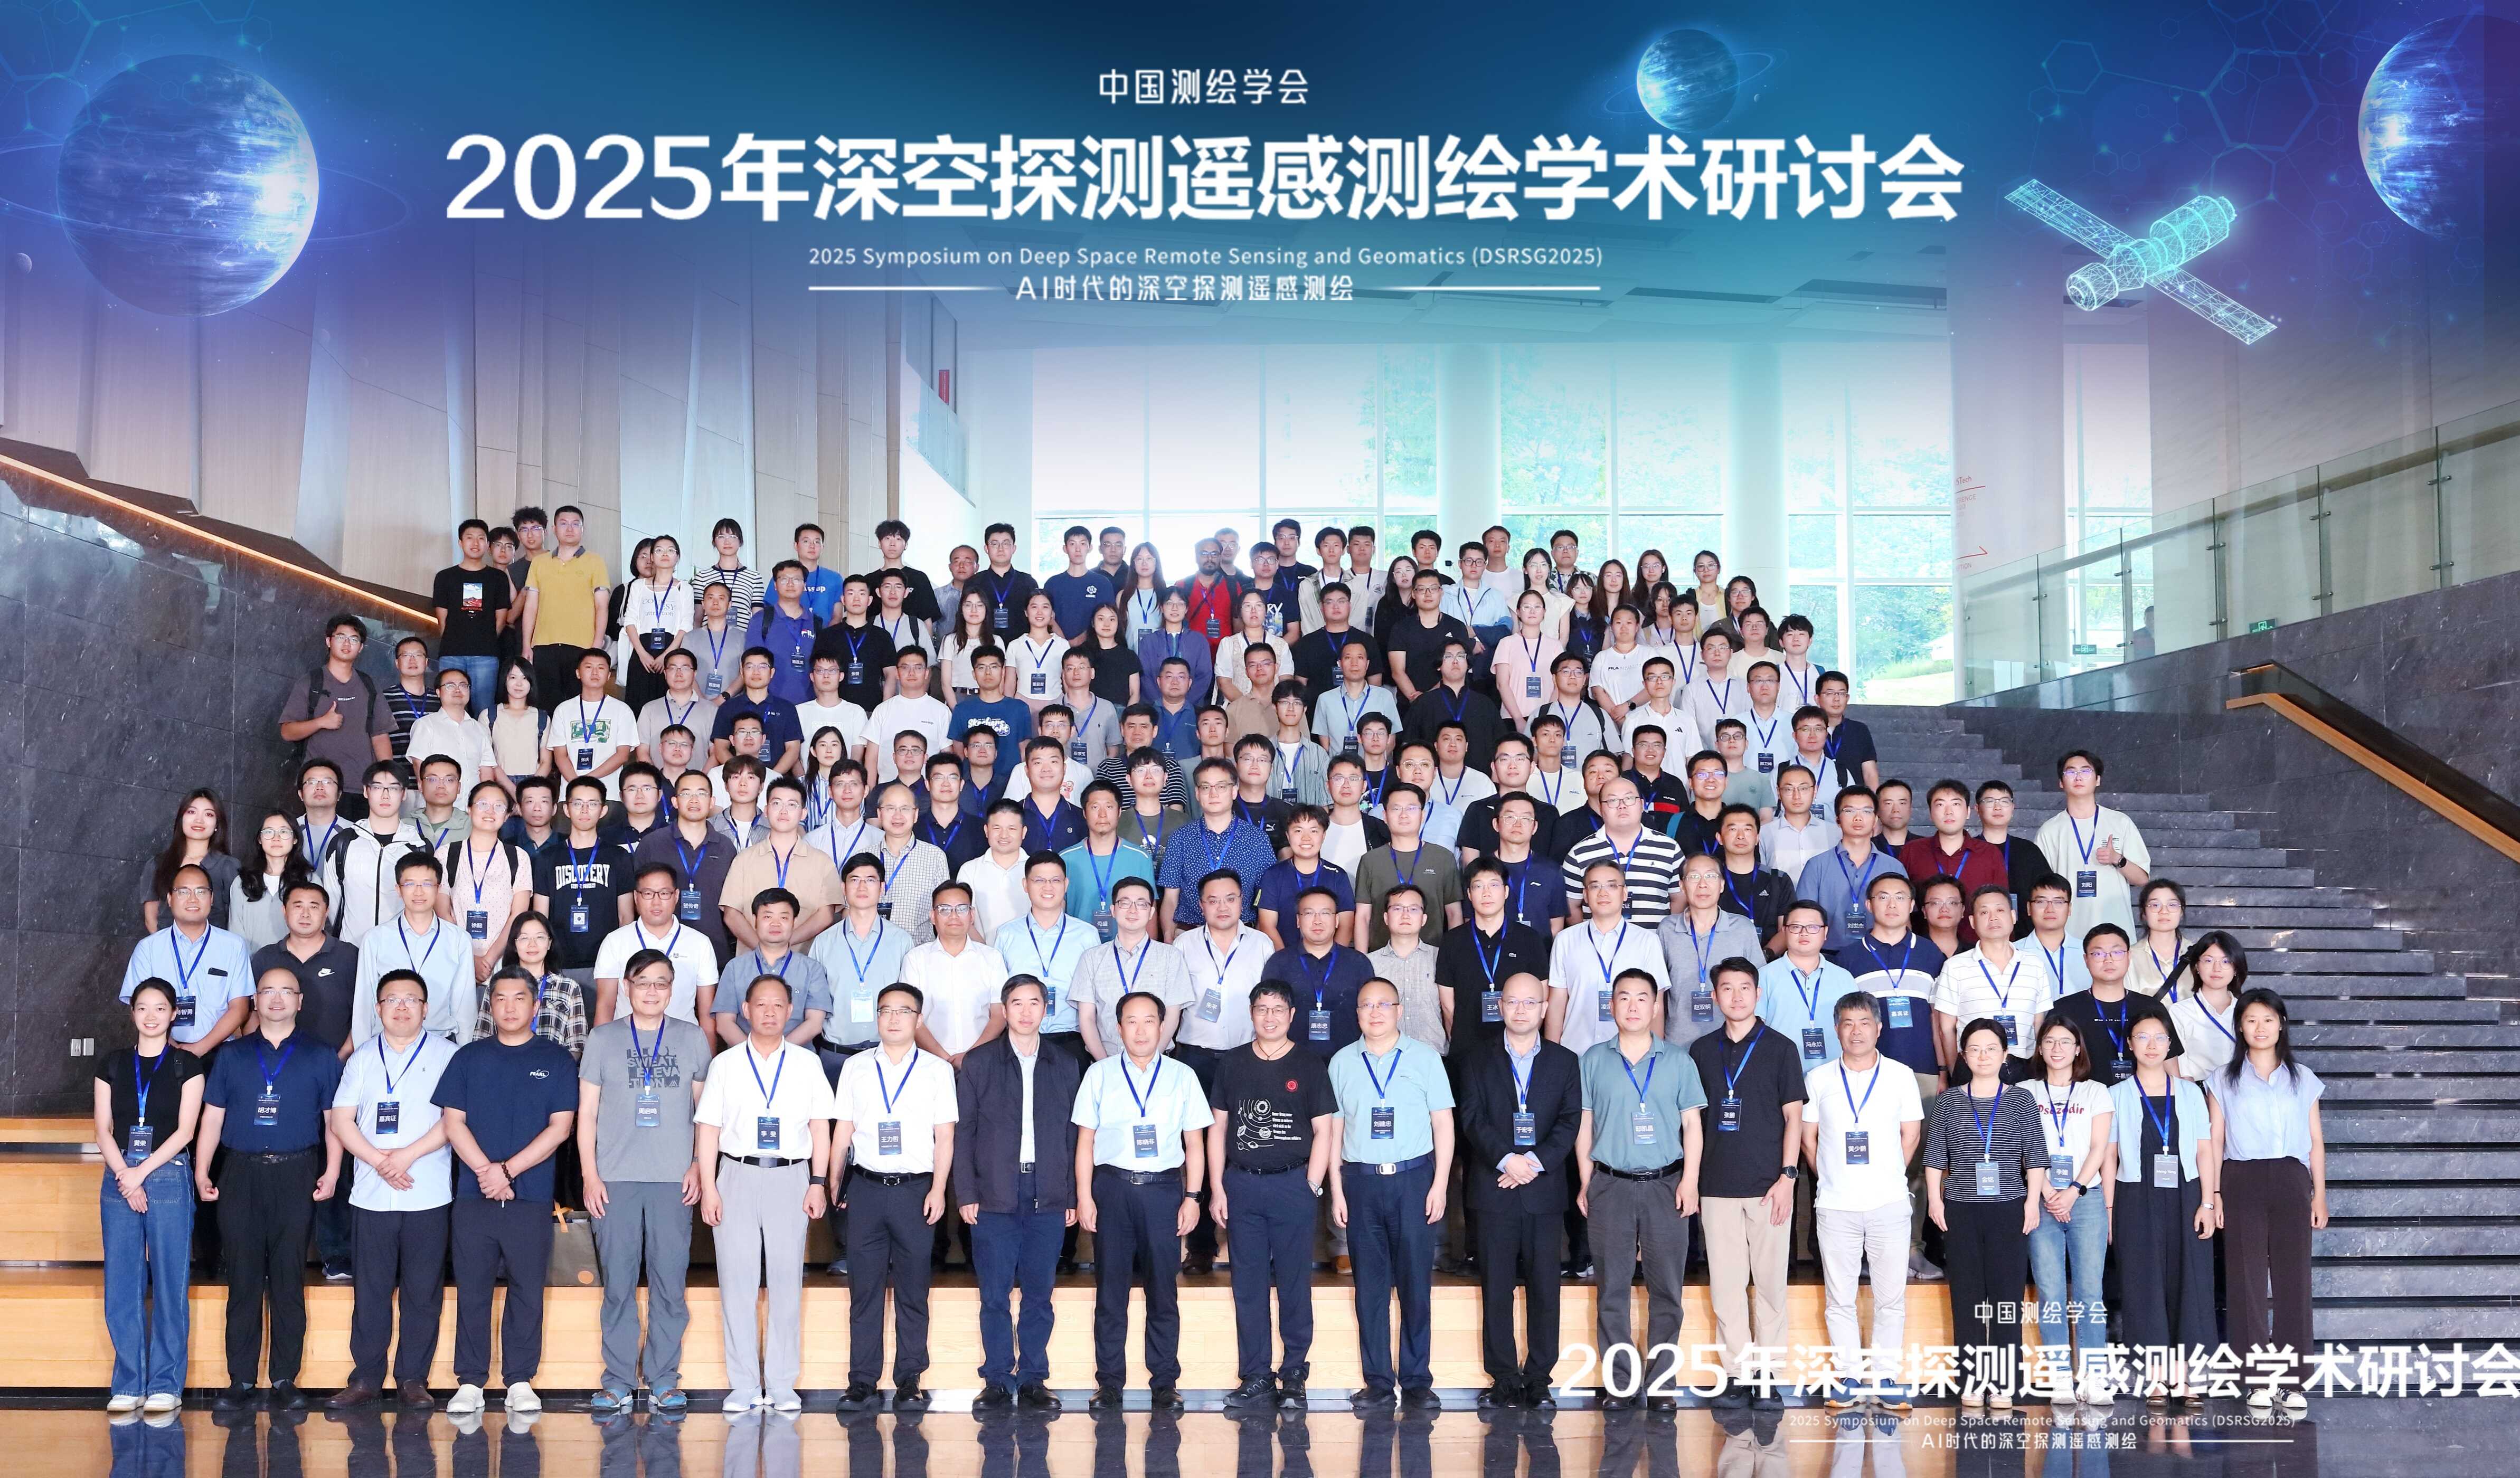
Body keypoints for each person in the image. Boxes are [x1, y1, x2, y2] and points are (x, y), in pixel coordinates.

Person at [432, 967, 579, 1416]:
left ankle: (519, 1379)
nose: (510, 1007)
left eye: (520, 998)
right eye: (500, 998)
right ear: (490, 1005)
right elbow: (452, 1122)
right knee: (472, 1289)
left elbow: (561, 1128)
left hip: (530, 1196)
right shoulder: (468, 1058)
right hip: (473, 1194)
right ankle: (470, 1381)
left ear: (536, 1007)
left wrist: (508, 1172)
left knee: (526, 1290)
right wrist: (486, 1172)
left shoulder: (556, 1059)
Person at [195, 968, 343, 1411]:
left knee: (287, 1278)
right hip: (239, 1174)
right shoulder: (232, 1055)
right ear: (255, 1001)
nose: (276, 999)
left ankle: (284, 1378)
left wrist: (333, 1170)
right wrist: (202, 1171)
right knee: (242, 1279)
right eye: (267, 991)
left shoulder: (321, 1056)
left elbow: (334, 1122)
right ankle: (240, 1379)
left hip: (297, 1173)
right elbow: (212, 1118)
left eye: (286, 992)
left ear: (300, 1001)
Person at [574, 950, 708, 1415]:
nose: (652, 991)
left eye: (661, 982)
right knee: (619, 1284)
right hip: (615, 1178)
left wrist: (698, 1165)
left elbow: (705, 1114)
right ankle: (617, 1381)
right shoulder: (603, 1038)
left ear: (672, 990)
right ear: (627, 987)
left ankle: (664, 1380)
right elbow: (587, 1114)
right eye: (642, 982)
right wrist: (590, 1175)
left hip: (673, 1179)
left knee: (670, 1283)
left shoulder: (692, 1038)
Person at [695, 974, 835, 1416]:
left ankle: (780, 1383)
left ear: (790, 1011)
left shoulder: (807, 1063)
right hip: (736, 1174)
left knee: (786, 1283)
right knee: (736, 1283)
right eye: (761, 1005)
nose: (770, 1012)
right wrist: (709, 1186)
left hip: (790, 1177)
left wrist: (818, 1182)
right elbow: (708, 1130)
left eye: (778, 1005)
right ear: (746, 1011)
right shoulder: (726, 1064)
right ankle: (742, 1385)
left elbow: (820, 1127)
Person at [323, 969, 458, 1410]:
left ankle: (413, 1379)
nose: (402, 1007)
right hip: (371, 1192)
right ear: (378, 1008)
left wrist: (405, 1156)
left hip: (427, 1190)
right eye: (392, 1000)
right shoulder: (363, 1057)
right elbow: (341, 1119)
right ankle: (365, 1378)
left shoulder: (448, 1055)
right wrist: (380, 1161)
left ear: (426, 1008)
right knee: (371, 1291)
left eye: (411, 999)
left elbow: (454, 1121)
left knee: (423, 1291)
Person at [1074, 990, 1213, 1411]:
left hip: (1163, 1192)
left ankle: (1164, 1383)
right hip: (1112, 1189)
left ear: (1162, 1027)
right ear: (1118, 1028)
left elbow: (1195, 1143)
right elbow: (1085, 1142)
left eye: (1149, 1021)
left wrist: (1192, 1197)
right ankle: (1109, 1384)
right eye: (1131, 1021)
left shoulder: (1182, 1076)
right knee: (1110, 1292)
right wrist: (1084, 1196)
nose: (1140, 1030)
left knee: (1163, 1291)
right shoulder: (1099, 1074)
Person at [1204, 979, 1337, 1412]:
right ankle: (1256, 1374)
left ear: (1292, 1015)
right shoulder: (1232, 1063)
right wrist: (1217, 1187)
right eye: (1262, 1008)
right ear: (1251, 1013)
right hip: (1242, 1184)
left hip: (1292, 1185)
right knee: (1248, 1284)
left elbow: (1324, 1130)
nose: (1270, 1017)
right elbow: (1218, 1128)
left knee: (1295, 1282)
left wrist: (1312, 1184)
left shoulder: (1309, 1064)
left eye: (1278, 1009)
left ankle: (1294, 1372)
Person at [954, 974, 1083, 1414]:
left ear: (1046, 1009)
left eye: (1034, 1003)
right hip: (993, 1192)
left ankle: (1032, 1378)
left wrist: (1070, 1195)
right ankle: (995, 1379)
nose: (1026, 1012)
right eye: (1017, 1003)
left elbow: (1073, 1136)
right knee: (993, 1295)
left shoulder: (1064, 1063)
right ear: (1004, 1009)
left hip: (1047, 1191)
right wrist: (966, 1192)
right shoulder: (980, 1062)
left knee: (1038, 1295)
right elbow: (964, 1131)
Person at [1325, 978, 1453, 1409]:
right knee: (1370, 1288)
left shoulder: (1425, 1058)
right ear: (1357, 1014)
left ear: (1399, 1011)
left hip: (1413, 1181)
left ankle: (1416, 1381)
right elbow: (1334, 1130)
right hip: (1360, 1182)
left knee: (1416, 1284)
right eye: (1366, 1005)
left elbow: (1443, 1125)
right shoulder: (1341, 1062)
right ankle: (1378, 1382)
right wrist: (1337, 1190)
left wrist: (1439, 1184)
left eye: (1384, 1004)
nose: (1375, 1012)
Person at [828, 983, 957, 1412]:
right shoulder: (856, 1067)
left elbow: (945, 1137)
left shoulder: (936, 1070)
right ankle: (861, 1381)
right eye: (886, 1010)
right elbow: (843, 1131)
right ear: (877, 1017)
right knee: (863, 1291)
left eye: (904, 1011)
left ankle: (909, 1379)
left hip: (915, 1191)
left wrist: (939, 1189)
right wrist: (833, 1182)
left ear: (918, 1020)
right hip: (865, 1189)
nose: (894, 1019)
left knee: (912, 1290)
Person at [1457, 971, 1580, 1410]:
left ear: (1545, 1008)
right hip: (1494, 1188)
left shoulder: (1565, 1061)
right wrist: (1507, 1160)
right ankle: (1505, 1378)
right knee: (1497, 1288)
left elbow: (1569, 1121)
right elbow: (1472, 1118)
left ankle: (1540, 1378)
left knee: (1546, 1289)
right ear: (1500, 1006)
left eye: (1530, 1002)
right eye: (1512, 1002)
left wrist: (1533, 1163)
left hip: (1544, 1191)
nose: (1521, 1010)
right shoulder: (1475, 1058)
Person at [1686, 958, 1802, 1410]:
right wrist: (1692, 1181)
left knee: (1771, 1286)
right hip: (1716, 1186)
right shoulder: (1700, 1051)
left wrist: (1787, 1177)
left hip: (1768, 1186)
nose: (1736, 997)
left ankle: (1769, 1374)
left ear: (1758, 994)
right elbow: (1692, 1123)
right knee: (1727, 1288)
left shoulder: (1780, 1048)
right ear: (1714, 996)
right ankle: (1736, 1373)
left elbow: (1793, 1118)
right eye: (1727, 988)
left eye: (1744, 988)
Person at [1799, 992, 1924, 1411]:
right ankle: (1848, 1376)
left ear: (1878, 1028)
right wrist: (1831, 1176)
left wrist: (1887, 1174)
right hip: (1836, 1205)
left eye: (1864, 1022)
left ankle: (1886, 1376)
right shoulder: (1818, 1078)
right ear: (1836, 1029)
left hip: (1888, 1202)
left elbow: (1911, 1135)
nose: (1856, 1031)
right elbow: (1808, 1138)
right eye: (1848, 1023)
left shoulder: (1901, 1075)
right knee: (1840, 1298)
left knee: (1890, 1297)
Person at [2209, 988, 2327, 1411]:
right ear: (2239, 1027)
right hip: (2240, 1179)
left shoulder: (2302, 1078)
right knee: (2246, 1282)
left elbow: (2315, 1140)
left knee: (2294, 1281)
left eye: (2268, 1019)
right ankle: (2256, 1380)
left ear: (2281, 1025)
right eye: (2251, 1020)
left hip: (2291, 1179)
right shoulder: (2222, 1079)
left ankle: (2293, 1382)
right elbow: (2215, 1140)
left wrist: (2319, 1195)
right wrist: (2214, 1194)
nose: (2259, 1028)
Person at [1922, 1017, 2048, 1408]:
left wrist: (2032, 1203)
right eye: (1974, 1049)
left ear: (2005, 1054)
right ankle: (1972, 1382)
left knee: (2007, 1298)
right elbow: (1934, 1158)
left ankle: (2005, 1383)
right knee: (1967, 1296)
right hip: (1960, 1209)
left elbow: (2035, 1158)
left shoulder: (2021, 1100)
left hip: (2009, 1209)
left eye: (1991, 1049)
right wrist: (1935, 1200)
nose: (1983, 1056)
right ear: (1963, 1055)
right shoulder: (1948, 1102)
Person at [95, 979, 207, 1415]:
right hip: (119, 1175)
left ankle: (165, 1383)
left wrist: (141, 1173)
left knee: (169, 1281)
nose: (151, 1016)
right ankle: (128, 1383)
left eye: (160, 1008)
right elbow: (103, 1129)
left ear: (174, 1014)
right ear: (133, 1013)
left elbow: (186, 1130)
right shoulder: (113, 1063)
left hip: (166, 1174)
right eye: (143, 1007)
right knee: (122, 1282)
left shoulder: (187, 1065)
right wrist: (125, 1174)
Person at [1830, 875, 1948, 1282]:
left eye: (1900, 897)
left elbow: (1939, 1019)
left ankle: (1912, 1250)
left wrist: (1943, 1071)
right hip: (1866, 1076)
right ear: (1868, 905)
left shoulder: (1931, 954)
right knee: (1865, 1162)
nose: (1892, 904)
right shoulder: (1848, 957)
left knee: (1914, 1165)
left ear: (1913, 905)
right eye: (1883, 897)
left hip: (1922, 1072)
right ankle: (1867, 1253)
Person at [2107, 1013, 2219, 1403]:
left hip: (2186, 1195)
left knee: (2191, 1282)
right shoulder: (2116, 1095)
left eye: (2160, 1038)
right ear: (2130, 1045)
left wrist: (2208, 1201)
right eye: (2143, 1037)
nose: (2152, 1045)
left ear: (2171, 1045)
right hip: (2135, 1197)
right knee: (2144, 1284)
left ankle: (2186, 1377)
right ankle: (2155, 1377)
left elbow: (2205, 1150)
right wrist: (2109, 1210)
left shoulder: (2190, 1093)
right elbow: (2109, 1157)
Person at [2023, 1017, 2114, 1406]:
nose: (2057, 1048)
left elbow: (2099, 1148)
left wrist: (2074, 1190)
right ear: (2040, 1049)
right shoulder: (2025, 1092)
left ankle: (2093, 1376)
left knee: (2090, 1292)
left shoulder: (2096, 1092)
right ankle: (2061, 1375)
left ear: (2078, 1049)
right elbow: (2022, 1147)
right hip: (2041, 1201)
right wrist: (2047, 1191)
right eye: (2049, 1042)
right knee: (2050, 1291)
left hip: (2086, 1199)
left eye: (2065, 1042)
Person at [121, 863, 256, 1057]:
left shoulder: (234, 946)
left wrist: (199, 1049)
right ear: (170, 899)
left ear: (212, 898)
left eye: (201, 892)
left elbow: (240, 1008)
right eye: (183, 892)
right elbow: (137, 1005)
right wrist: (172, 1048)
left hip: (219, 1053)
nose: (193, 899)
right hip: (162, 1051)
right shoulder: (148, 948)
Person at [1545, 861, 1670, 1057]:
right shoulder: (1565, 940)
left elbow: (1656, 1005)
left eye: (1612, 886)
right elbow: (1557, 1003)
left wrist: (1655, 1058)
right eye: (1595, 886)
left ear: (1624, 893)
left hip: (1631, 1057)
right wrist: (1551, 1057)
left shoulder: (1647, 941)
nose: (1603, 893)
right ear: (1586, 895)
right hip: (1575, 1054)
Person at [350, 851, 471, 1046]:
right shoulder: (376, 939)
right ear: (398, 889)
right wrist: (363, 1052)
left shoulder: (458, 939)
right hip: (388, 1043)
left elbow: (464, 1007)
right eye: (410, 884)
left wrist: (465, 1054)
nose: (418, 892)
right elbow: (364, 1005)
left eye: (427, 884)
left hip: (440, 1043)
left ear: (439, 888)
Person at [279, 616, 394, 819]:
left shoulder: (369, 686)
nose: (347, 643)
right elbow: (287, 732)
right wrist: (321, 722)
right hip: (320, 788)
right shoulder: (311, 682)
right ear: (328, 641)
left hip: (362, 786)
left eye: (354, 639)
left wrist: (388, 780)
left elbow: (380, 736)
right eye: (341, 637)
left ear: (361, 648)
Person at [1932, 886, 2053, 1073]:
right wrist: (1956, 1072)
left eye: (2000, 910)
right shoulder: (1954, 967)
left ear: (2013, 916)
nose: (1993, 918)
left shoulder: (2034, 964)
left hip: (2025, 1067)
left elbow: (2039, 1025)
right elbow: (1946, 1029)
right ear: (1972, 922)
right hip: (1974, 1067)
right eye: (1984, 912)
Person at [2045, 924, 2182, 1085]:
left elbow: (2171, 1070)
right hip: (2081, 1098)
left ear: (2129, 957)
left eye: (2117, 953)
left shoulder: (2152, 1008)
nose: (2108, 960)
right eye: (2098, 954)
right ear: (2086, 960)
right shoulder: (2064, 1010)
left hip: (2142, 1097)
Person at [2035, 749, 2152, 938]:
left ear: (2098, 780)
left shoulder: (2120, 822)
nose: (2078, 777)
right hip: (2068, 932)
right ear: (2061, 782)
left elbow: (2142, 879)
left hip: (2115, 929)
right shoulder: (2050, 830)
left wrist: (2118, 859)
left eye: (2086, 771)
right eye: (2071, 772)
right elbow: (2041, 887)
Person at [1156, 758, 1277, 937]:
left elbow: (1266, 899)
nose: (1213, 794)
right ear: (1197, 793)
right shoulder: (1180, 838)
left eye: (1221, 787)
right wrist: (1168, 939)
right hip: (1190, 935)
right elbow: (1171, 898)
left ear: (1234, 791)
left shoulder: (1257, 839)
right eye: (1206, 787)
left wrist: (1258, 941)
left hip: (1243, 935)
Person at [1658, 854, 1764, 1049]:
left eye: (1711, 876)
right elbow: (1657, 992)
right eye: (1694, 877)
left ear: (1722, 884)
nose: (1703, 884)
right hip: (1678, 1044)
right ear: (1682, 886)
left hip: (1733, 1043)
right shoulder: (1667, 929)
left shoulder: (1742, 928)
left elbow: (1759, 987)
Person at [1558, 778, 1684, 926]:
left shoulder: (1669, 848)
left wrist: (1665, 934)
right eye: (1613, 801)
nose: (1622, 806)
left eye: (1629, 798)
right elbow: (1572, 906)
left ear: (1642, 805)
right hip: (1599, 941)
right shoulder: (1579, 854)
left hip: (1654, 940)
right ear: (1601, 809)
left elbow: (1680, 899)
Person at [518, 506, 611, 707]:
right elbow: (531, 606)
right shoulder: (539, 563)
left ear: (583, 529)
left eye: (575, 524)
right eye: (563, 524)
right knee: (545, 705)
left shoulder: (595, 562)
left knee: (578, 706)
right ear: (554, 529)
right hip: (544, 645)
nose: (570, 529)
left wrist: (596, 647)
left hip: (582, 646)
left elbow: (602, 607)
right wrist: (527, 644)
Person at [1354, 783, 1464, 949]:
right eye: (1396, 809)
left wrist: (1453, 959)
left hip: (1433, 956)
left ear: (1422, 815)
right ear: (1385, 816)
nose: (1404, 815)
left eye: (1411, 808)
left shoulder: (1443, 858)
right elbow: (1363, 917)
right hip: (1381, 957)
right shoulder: (1371, 860)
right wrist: (1362, 960)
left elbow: (1454, 914)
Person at [1759, 901, 1858, 1073]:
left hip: (1835, 1074)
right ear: (1784, 931)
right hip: (1781, 1074)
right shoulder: (1764, 976)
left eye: (1813, 927)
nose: (1804, 933)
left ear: (1825, 932)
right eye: (1796, 927)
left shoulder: (1844, 978)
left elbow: (1856, 1026)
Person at [432, 520, 514, 714]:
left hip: (486, 654)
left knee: (484, 711)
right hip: (451, 653)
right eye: (470, 538)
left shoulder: (498, 578)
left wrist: (485, 640)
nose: (476, 543)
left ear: (488, 545)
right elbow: (442, 620)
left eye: (481, 539)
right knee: (451, 707)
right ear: (460, 543)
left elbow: (501, 619)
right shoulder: (445, 577)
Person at [1898, 780, 2007, 898]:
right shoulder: (1912, 851)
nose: (1948, 812)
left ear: (1968, 812)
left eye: (1956, 804)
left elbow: (2001, 902)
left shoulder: (1990, 854)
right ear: (1931, 814)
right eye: (1940, 805)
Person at [2170, 931, 2246, 1081]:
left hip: (2243, 1089)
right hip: (2197, 1091)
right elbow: (2181, 1070)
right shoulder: (2180, 1012)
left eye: (2226, 961)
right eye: (2209, 960)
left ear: (2236, 968)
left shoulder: (2247, 1011)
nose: (2217, 969)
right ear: (2197, 966)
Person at [2132, 878, 2192, 999]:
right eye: (2155, 905)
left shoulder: (2200, 954)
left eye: (2172, 905)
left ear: (2181, 912)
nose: (2164, 911)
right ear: (2144, 913)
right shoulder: (2129, 957)